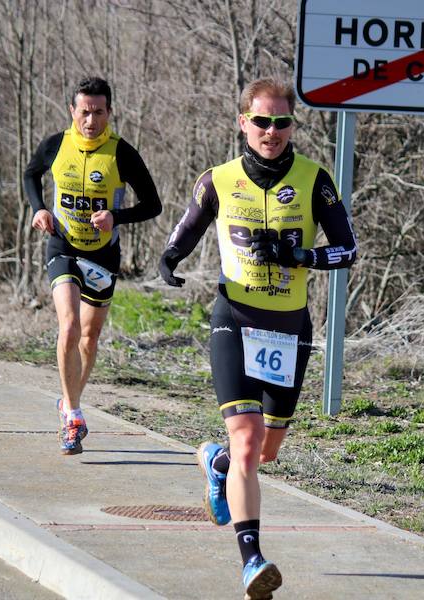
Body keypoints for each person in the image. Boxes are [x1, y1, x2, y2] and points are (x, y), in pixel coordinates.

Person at [159, 78, 357, 599]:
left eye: (282, 122)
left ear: (293, 125)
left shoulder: (315, 179)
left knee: (264, 451)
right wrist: (169, 258)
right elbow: (188, 227)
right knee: (246, 439)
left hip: (289, 327)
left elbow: (347, 250)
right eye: (262, 121)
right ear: (242, 122)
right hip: (235, 318)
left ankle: (215, 463)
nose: (272, 131)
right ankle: (252, 561)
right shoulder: (218, 179)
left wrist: (302, 257)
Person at [24, 76, 162, 455]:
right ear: (73, 111)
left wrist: (116, 217)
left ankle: (68, 401)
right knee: (68, 325)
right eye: (84, 112)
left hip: (102, 253)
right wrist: (39, 208)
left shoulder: (122, 153)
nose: (90, 120)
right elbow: (30, 174)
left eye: (98, 112)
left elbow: (153, 205)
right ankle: (73, 416)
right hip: (63, 244)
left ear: (109, 113)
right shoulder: (55, 145)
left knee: (89, 336)